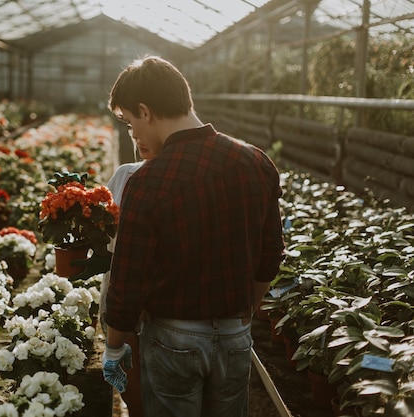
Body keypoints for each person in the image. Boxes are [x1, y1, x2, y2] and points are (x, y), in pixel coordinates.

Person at [101, 55, 286, 417]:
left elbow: (128, 275)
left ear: (145, 110)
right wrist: (244, 310)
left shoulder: (149, 180)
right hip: (235, 336)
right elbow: (271, 253)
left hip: (173, 338)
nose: (133, 135)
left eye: (129, 122)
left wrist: (113, 347)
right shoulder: (254, 162)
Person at [99, 133, 155, 417]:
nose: (138, 139)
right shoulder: (124, 174)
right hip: (122, 304)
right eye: (132, 132)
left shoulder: (180, 183)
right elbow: (101, 227)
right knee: (136, 401)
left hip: (158, 309)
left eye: (140, 128)